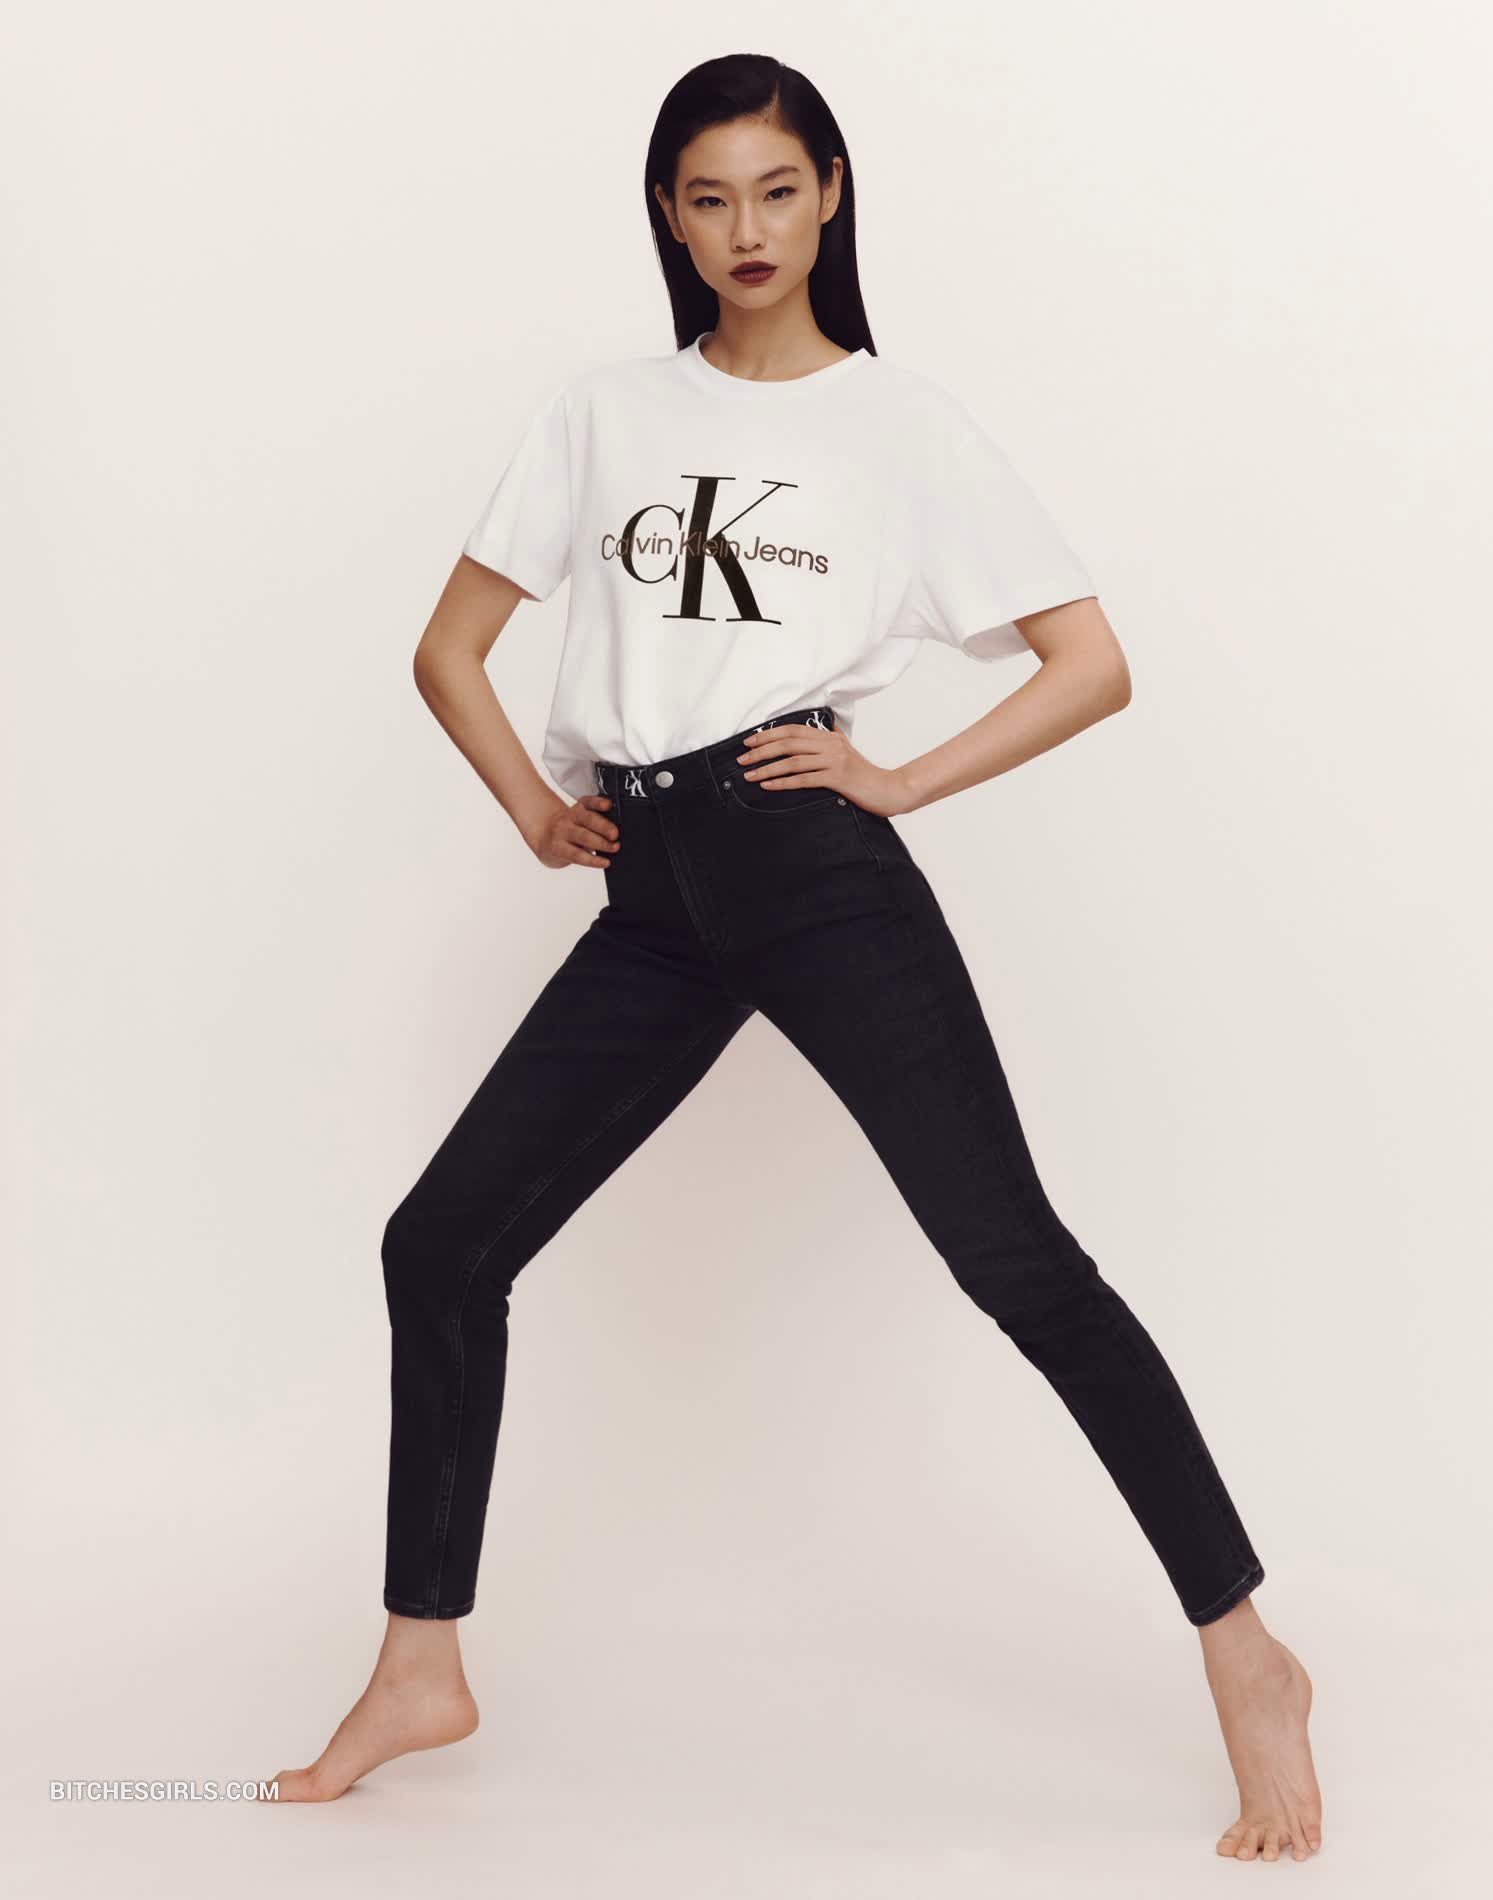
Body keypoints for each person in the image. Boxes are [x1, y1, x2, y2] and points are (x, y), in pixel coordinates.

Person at [263, 53, 1323, 1862]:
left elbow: (1089, 661)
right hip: (651, 889)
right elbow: (449, 648)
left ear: (829, 193)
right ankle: (420, 1658)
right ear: (667, 218)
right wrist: (535, 806)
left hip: (813, 867)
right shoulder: (603, 413)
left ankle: (1246, 1653)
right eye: (707, 197)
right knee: (439, 1245)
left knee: (1015, 1261)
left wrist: (895, 780)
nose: (745, 228)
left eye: (775, 189)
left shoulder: (901, 427)